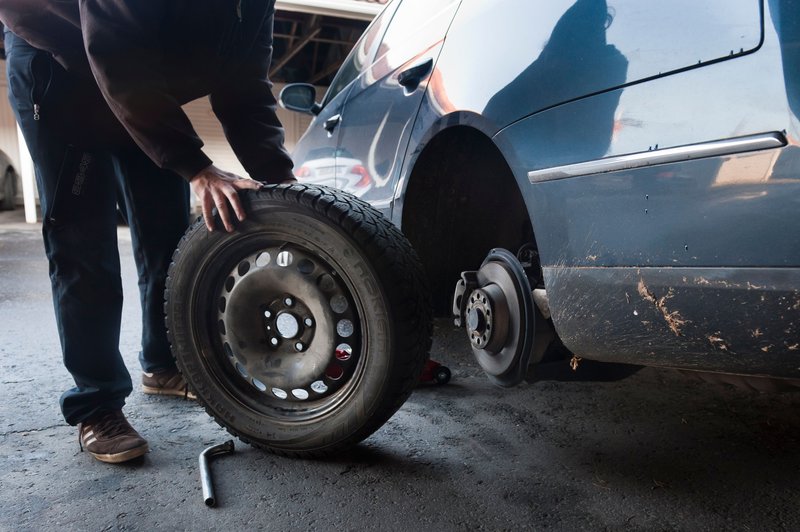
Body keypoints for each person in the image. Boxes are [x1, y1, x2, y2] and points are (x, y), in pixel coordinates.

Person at [1, 0, 295, 464]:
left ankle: (163, 365)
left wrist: (287, 190)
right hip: (62, 66)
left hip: (144, 83)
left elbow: (244, 87)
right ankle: (96, 403)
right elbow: (113, 45)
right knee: (84, 242)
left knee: (167, 234)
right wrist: (196, 166)